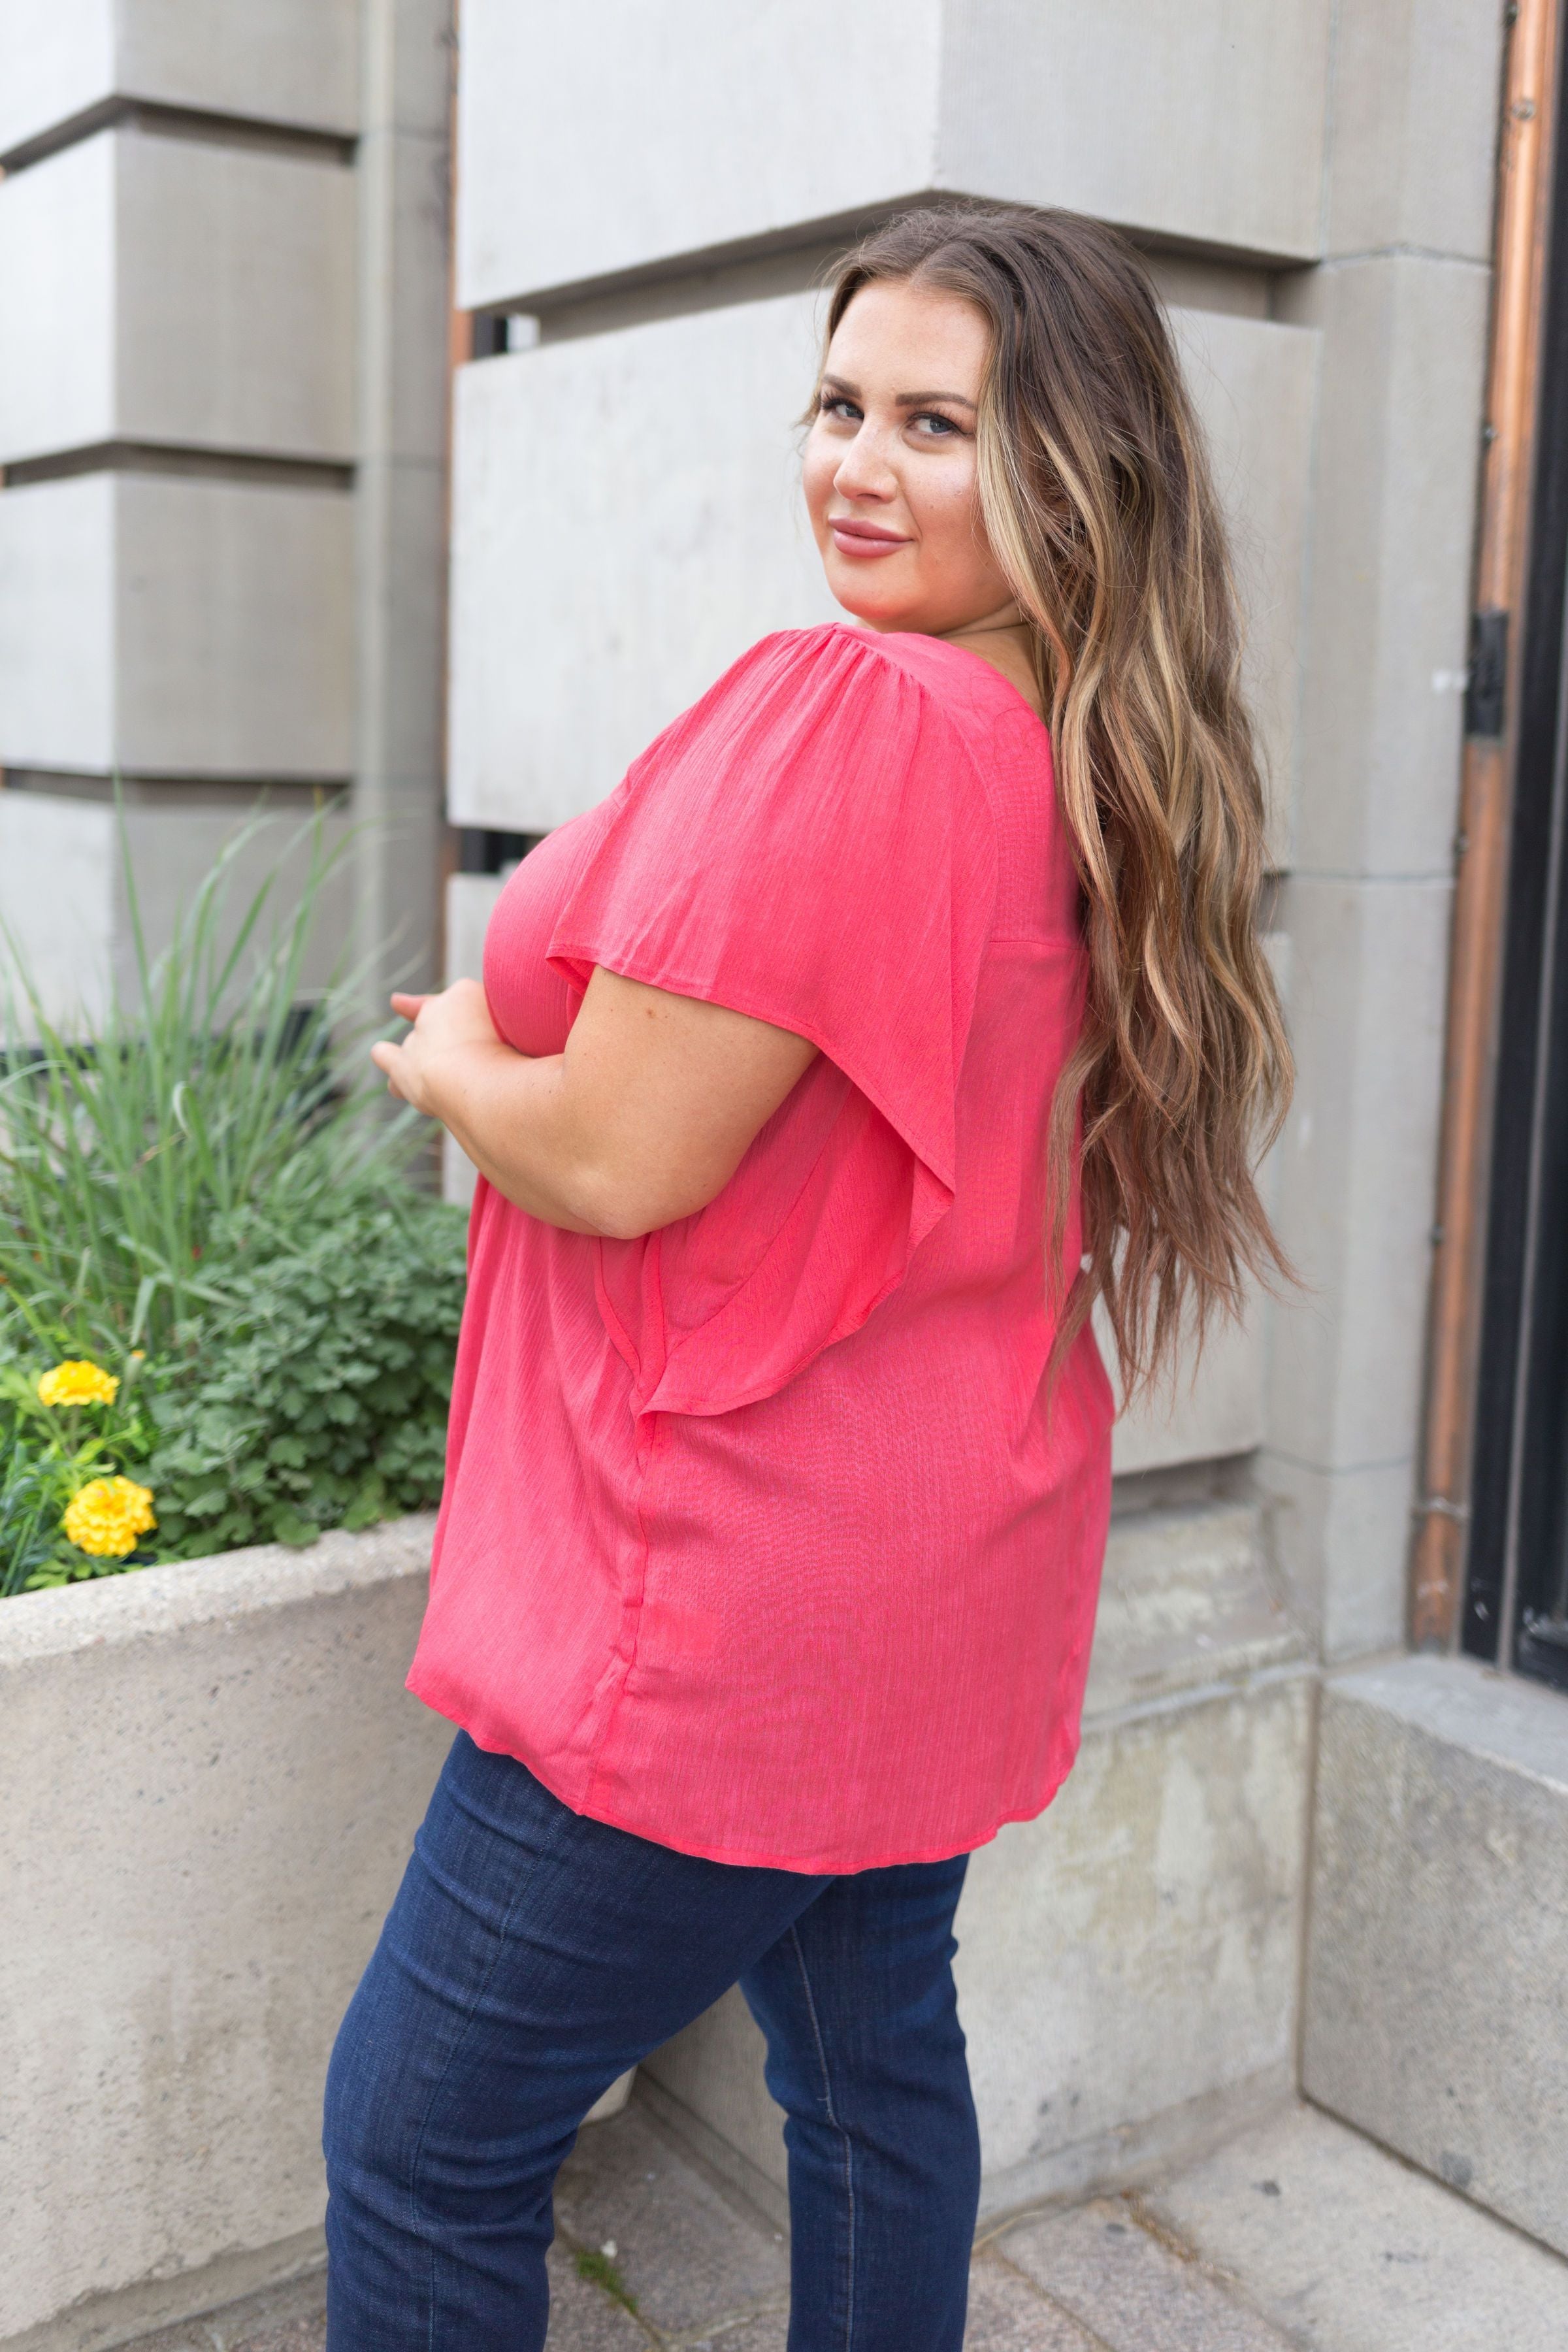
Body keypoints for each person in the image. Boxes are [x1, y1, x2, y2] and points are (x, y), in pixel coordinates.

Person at [323, 203, 1292, 2351]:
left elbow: (621, 1154)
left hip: (714, 1606)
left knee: (420, 2141)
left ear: (1075, 469)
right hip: (932, 1571)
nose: (857, 465)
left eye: (937, 423)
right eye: (839, 405)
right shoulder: (1088, 771)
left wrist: (465, 1062)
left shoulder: (861, 709)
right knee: (869, 2082)